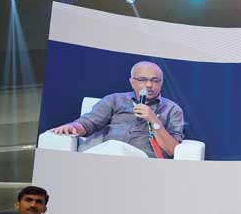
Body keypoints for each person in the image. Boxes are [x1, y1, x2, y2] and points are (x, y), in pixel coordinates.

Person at [50, 61, 185, 158]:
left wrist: (154, 120)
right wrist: (72, 127)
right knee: (113, 148)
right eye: (143, 80)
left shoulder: (172, 109)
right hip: (109, 155)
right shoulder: (114, 100)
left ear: (161, 83)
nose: (149, 85)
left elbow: (172, 150)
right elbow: (89, 122)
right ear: (132, 82)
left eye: (155, 80)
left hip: (142, 162)